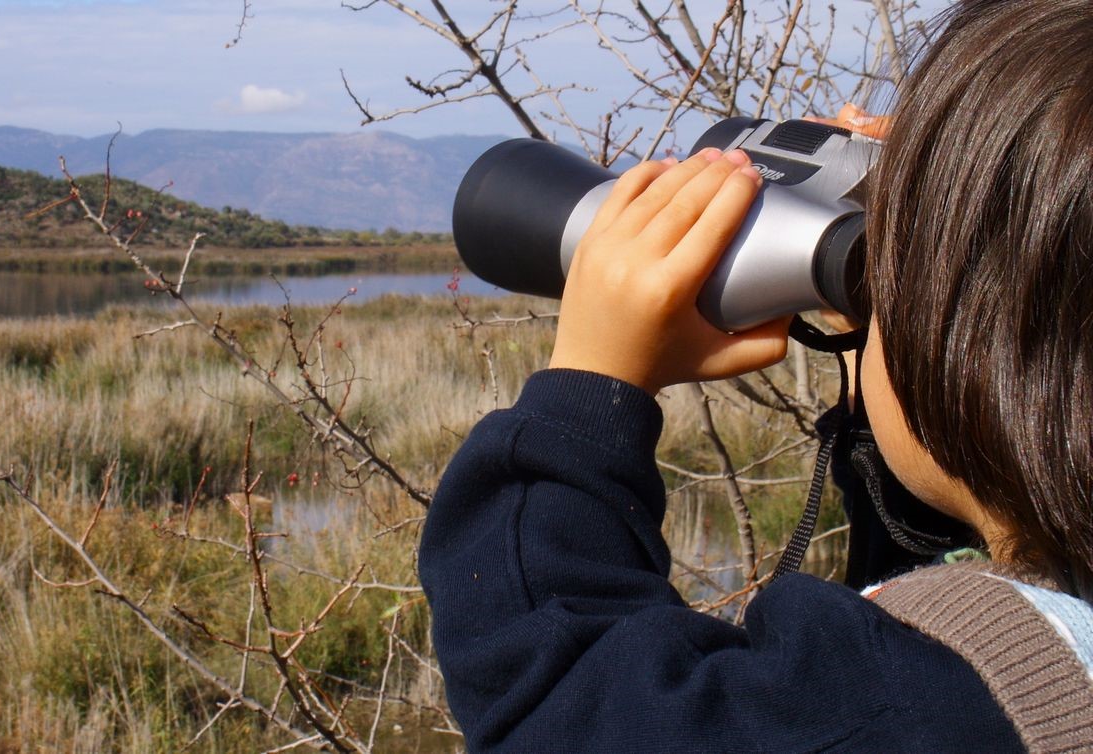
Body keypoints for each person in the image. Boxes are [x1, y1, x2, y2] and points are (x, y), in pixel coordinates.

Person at [419, 0, 1093, 750]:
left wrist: (591, 383)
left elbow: (558, 702)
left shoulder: (889, 707)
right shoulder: (985, 672)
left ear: (970, 357)